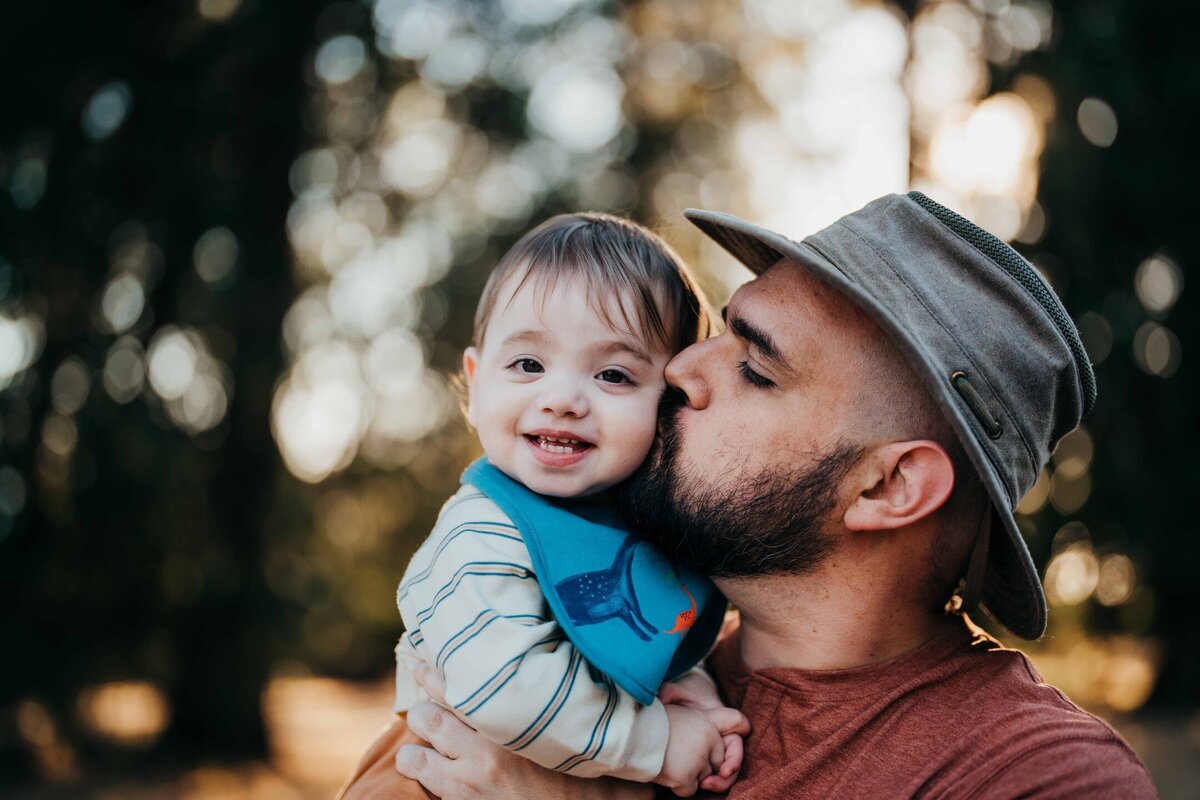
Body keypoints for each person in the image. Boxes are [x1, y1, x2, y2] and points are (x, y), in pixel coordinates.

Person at [340, 193, 1156, 799]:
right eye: (720, 332)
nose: (683, 370)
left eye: (755, 367)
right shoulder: (592, 646)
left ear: (890, 485)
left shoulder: (1032, 777)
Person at [386, 212, 749, 798]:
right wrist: (659, 743)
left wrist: (688, 686)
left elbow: (639, 631)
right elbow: (504, 688)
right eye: (528, 365)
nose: (561, 400)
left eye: (612, 375)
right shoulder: (481, 532)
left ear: (670, 408)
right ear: (475, 386)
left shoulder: (639, 524)